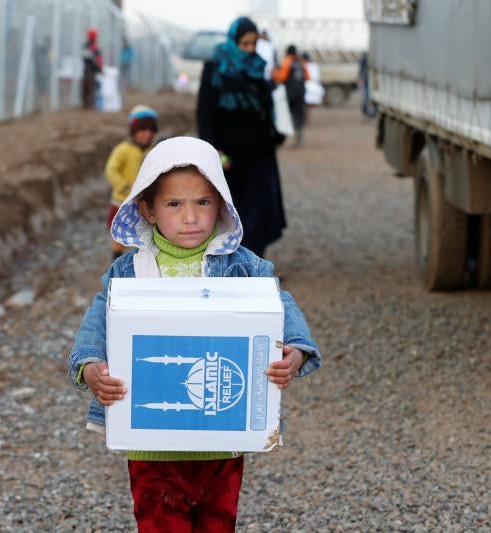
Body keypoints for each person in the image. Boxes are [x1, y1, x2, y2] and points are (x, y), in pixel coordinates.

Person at [68, 136, 322, 532]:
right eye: (174, 204)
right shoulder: (129, 271)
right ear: (148, 209)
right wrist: (89, 366)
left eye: (202, 202)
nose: (190, 217)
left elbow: (279, 302)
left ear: (221, 204)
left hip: (222, 441)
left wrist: (296, 351)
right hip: (152, 446)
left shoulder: (242, 266)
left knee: (218, 524)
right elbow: (99, 317)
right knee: (160, 524)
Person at [196, 16, 287, 258]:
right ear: (233, 41)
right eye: (244, 44)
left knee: (261, 209)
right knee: (233, 211)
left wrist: (275, 132)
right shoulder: (215, 68)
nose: (249, 49)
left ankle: (255, 264)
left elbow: (266, 107)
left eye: (253, 44)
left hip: (260, 151)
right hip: (230, 155)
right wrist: (213, 149)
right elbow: (205, 112)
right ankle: (232, 262)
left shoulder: (258, 67)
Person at [104, 105, 159, 259]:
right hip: (121, 200)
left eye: (151, 131)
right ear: (134, 131)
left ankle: (141, 263)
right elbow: (111, 169)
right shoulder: (123, 149)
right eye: (143, 130)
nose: (147, 134)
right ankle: (117, 261)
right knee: (119, 233)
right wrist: (123, 186)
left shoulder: (153, 151)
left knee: (143, 233)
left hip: (144, 201)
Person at [273, 44, 309, 147]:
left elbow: (281, 77)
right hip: (301, 92)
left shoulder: (287, 61)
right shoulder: (301, 62)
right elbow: (307, 77)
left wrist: (275, 72)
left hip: (290, 93)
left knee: (287, 115)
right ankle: (298, 138)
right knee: (299, 115)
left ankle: (288, 139)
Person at [82, 28, 102, 109]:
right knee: (89, 87)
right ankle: (88, 103)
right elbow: (90, 59)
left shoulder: (90, 46)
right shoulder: (89, 46)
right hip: (90, 69)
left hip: (89, 69)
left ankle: (88, 103)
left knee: (88, 87)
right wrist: (98, 67)